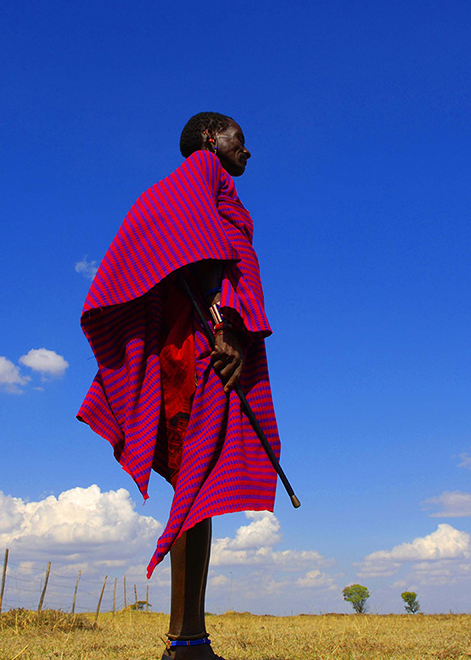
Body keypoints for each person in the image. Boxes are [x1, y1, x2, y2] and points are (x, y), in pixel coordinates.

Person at [78, 112, 280, 659]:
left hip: (196, 343)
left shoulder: (184, 190)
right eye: (242, 138)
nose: (249, 151)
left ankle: (190, 637)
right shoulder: (201, 174)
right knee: (198, 481)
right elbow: (214, 255)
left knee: (201, 488)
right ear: (212, 139)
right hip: (199, 349)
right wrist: (231, 328)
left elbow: (185, 246)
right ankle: (186, 643)